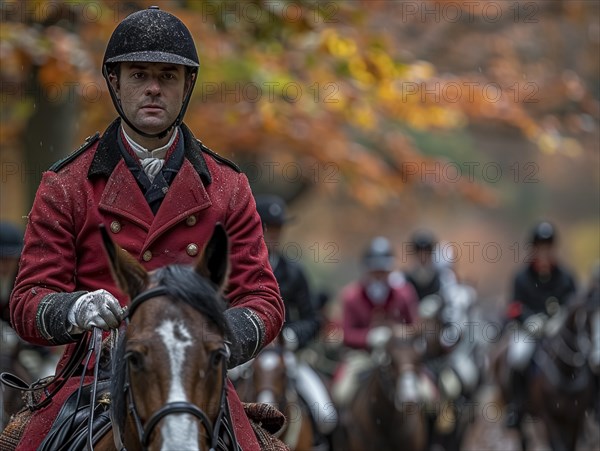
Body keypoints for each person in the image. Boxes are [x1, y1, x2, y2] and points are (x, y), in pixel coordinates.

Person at [7, 7, 283, 450]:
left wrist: (202, 338)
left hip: (196, 378)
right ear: (115, 82)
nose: (154, 88)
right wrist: (77, 308)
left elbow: (264, 300)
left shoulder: (230, 187)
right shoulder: (66, 185)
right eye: (139, 75)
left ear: (186, 85)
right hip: (93, 377)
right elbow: (26, 301)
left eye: (168, 76)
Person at [254, 194, 338, 443]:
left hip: (287, 355)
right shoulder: (238, 267)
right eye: (268, 228)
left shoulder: (294, 272)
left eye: (278, 229)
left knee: (326, 415)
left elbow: (313, 319)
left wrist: (290, 336)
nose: (273, 236)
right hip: (246, 358)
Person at [504, 221, 577, 428]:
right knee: (517, 357)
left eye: (548, 247)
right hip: (529, 331)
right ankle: (516, 408)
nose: (544, 252)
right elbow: (513, 307)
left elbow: (574, 303)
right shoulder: (521, 277)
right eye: (540, 247)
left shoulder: (566, 276)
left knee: (586, 355)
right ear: (533, 249)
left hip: (559, 332)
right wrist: (529, 320)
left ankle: (590, 405)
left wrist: (560, 318)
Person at [332, 236, 419, 406]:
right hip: (362, 356)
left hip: (399, 357)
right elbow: (346, 334)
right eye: (375, 271)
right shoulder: (351, 296)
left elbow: (414, 327)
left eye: (383, 271)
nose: (379, 276)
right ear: (366, 270)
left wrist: (398, 333)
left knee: (428, 394)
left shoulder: (404, 294)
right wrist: (369, 337)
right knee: (340, 393)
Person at [405, 229, 456, 301]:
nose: (423, 256)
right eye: (419, 251)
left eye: (427, 251)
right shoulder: (404, 279)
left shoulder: (443, 278)